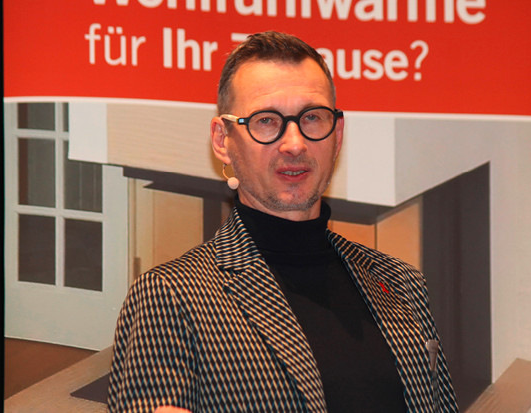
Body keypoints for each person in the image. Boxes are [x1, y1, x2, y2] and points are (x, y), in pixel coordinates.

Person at [107, 31, 459, 413]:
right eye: (266, 121)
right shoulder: (171, 296)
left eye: (312, 117)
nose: (294, 144)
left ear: (337, 135)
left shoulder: (402, 283)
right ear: (223, 140)